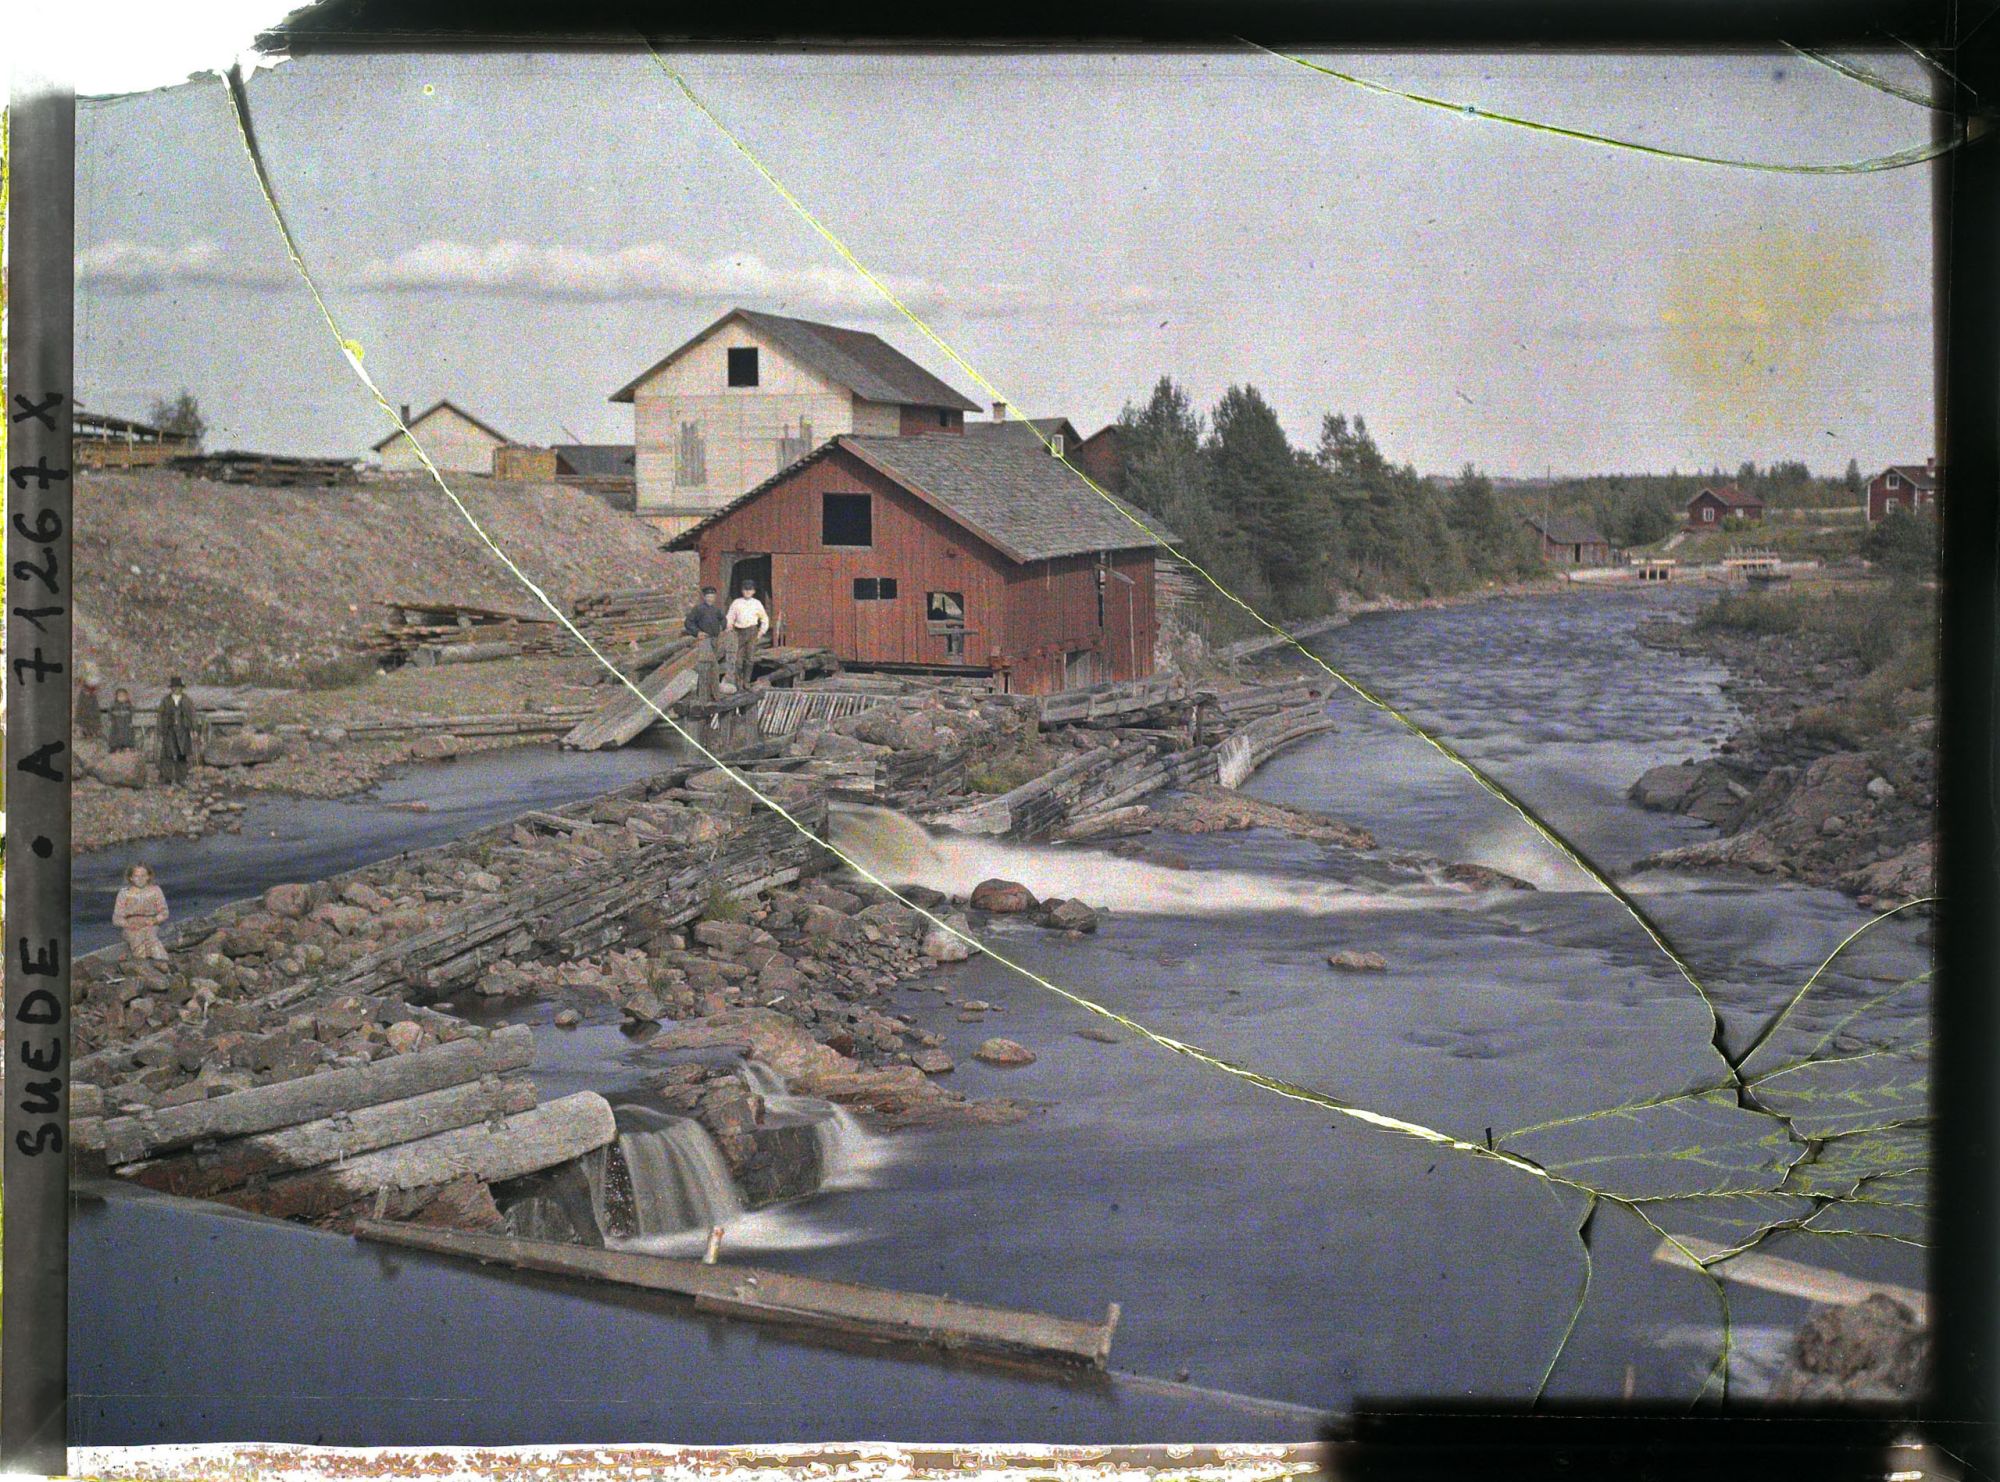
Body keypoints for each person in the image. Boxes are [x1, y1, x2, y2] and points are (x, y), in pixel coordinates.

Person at [113, 863, 170, 962]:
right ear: (131, 878)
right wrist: (128, 924)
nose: (140, 879)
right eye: (136, 876)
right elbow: (116, 918)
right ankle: (141, 965)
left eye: (143, 875)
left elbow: (164, 912)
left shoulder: (155, 891)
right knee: (136, 937)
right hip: (131, 926)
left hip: (150, 924)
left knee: (151, 937)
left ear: (148, 876)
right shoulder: (124, 893)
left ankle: (162, 962)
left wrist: (154, 920)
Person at [723, 578, 771, 692]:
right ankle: (738, 682)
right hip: (739, 632)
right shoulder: (736, 603)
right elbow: (729, 618)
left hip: (752, 632)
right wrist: (729, 628)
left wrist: (761, 632)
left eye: (750, 590)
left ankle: (746, 682)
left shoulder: (756, 603)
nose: (747, 592)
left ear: (754, 591)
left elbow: (764, 619)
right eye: (745, 590)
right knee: (738, 660)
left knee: (749, 659)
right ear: (742, 591)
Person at [682, 585, 726, 704]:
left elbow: (723, 619)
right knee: (706, 666)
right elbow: (688, 622)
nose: (710, 599)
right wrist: (697, 633)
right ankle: (703, 696)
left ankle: (714, 695)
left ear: (715, 597)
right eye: (708, 596)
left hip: (715, 640)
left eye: (712, 596)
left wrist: (722, 627)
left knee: (713, 667)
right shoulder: (698, 609)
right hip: (705, 640)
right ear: (704, 597)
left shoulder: (717, 610)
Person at [157, 676, 200, 785]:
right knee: (167, 755)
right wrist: (160, 731)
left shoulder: (187, 700)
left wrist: (194, 729)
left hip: (183, 730)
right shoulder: (165, 700)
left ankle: (181, 778)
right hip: (169, 730)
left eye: (178, 687)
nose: (176, 689)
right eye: (174, 687)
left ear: (181, 688)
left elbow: (193, 715)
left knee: (182, 754)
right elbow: (160, 716)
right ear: (171, 688)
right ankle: (166, 778)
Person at [106, 687, 136, 752]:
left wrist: (131, 719)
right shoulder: (114, 705)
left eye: (123, 696)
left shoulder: (128, 705)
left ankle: (127, 746)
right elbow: (110, 712)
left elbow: (132, 712)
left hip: (126, 723)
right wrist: (110, 719)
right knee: (115, 735)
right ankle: (114, 747)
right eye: (120, 696)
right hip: (116, 723)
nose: (121, 698)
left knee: (127, 735)